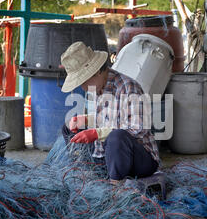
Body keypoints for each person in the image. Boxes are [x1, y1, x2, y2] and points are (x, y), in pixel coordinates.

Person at [59, 41, 160, 182]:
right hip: (108, 154)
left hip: (140, 160)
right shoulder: (99, 87)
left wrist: (97, 133)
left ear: (97, 71)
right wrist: (87, 120)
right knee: (69, 127)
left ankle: (115, 186)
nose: (82, 87)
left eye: (83, 81)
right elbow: (110, 118)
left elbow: (138, 128)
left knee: (116, 137)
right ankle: (82, 169)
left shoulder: (128, 87)